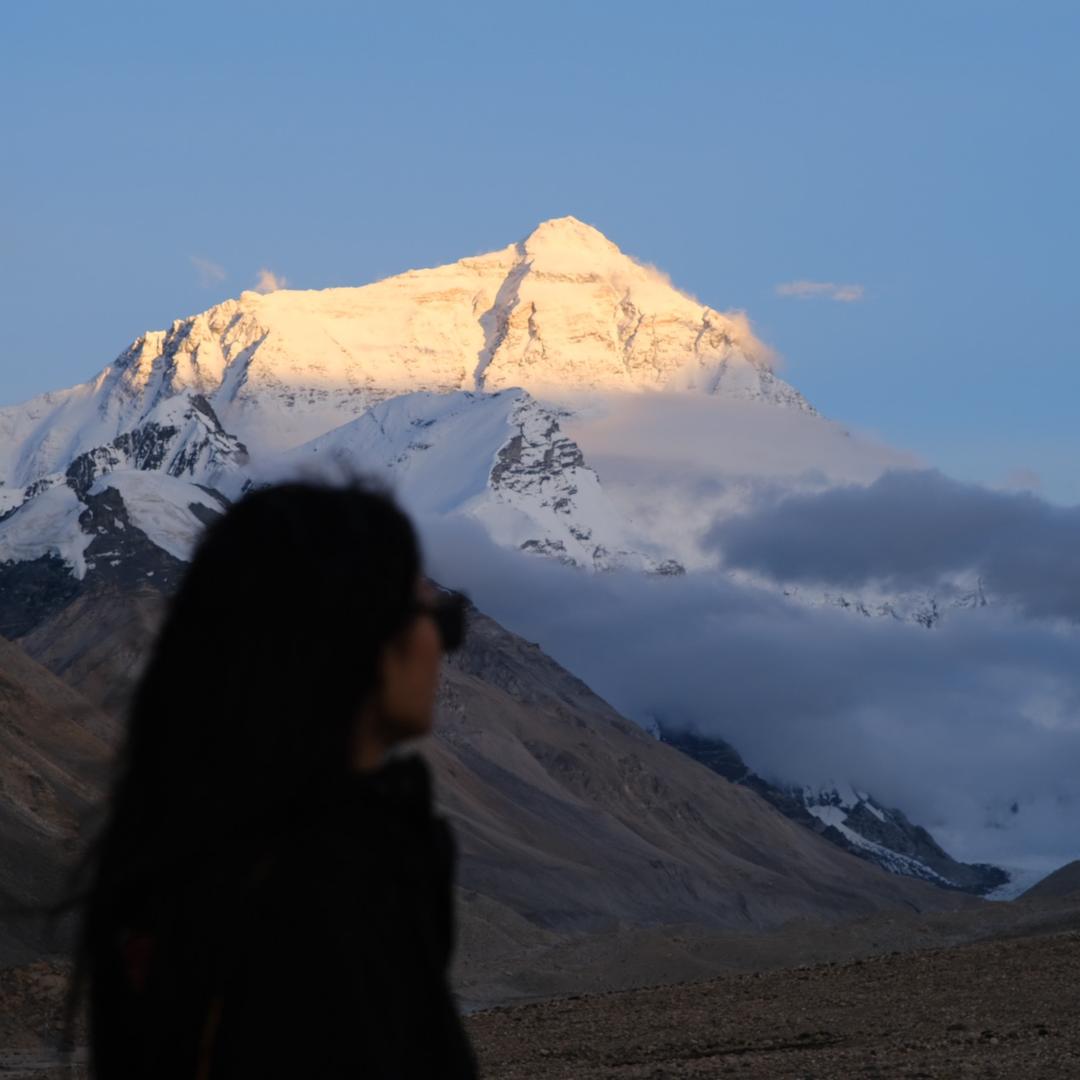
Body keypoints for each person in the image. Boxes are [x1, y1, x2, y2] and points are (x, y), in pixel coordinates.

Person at [67, 478, 480, 1078]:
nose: (443, 643)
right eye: (438, 614)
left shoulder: (184, 861)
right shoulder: (326, 892)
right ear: (360, 630)